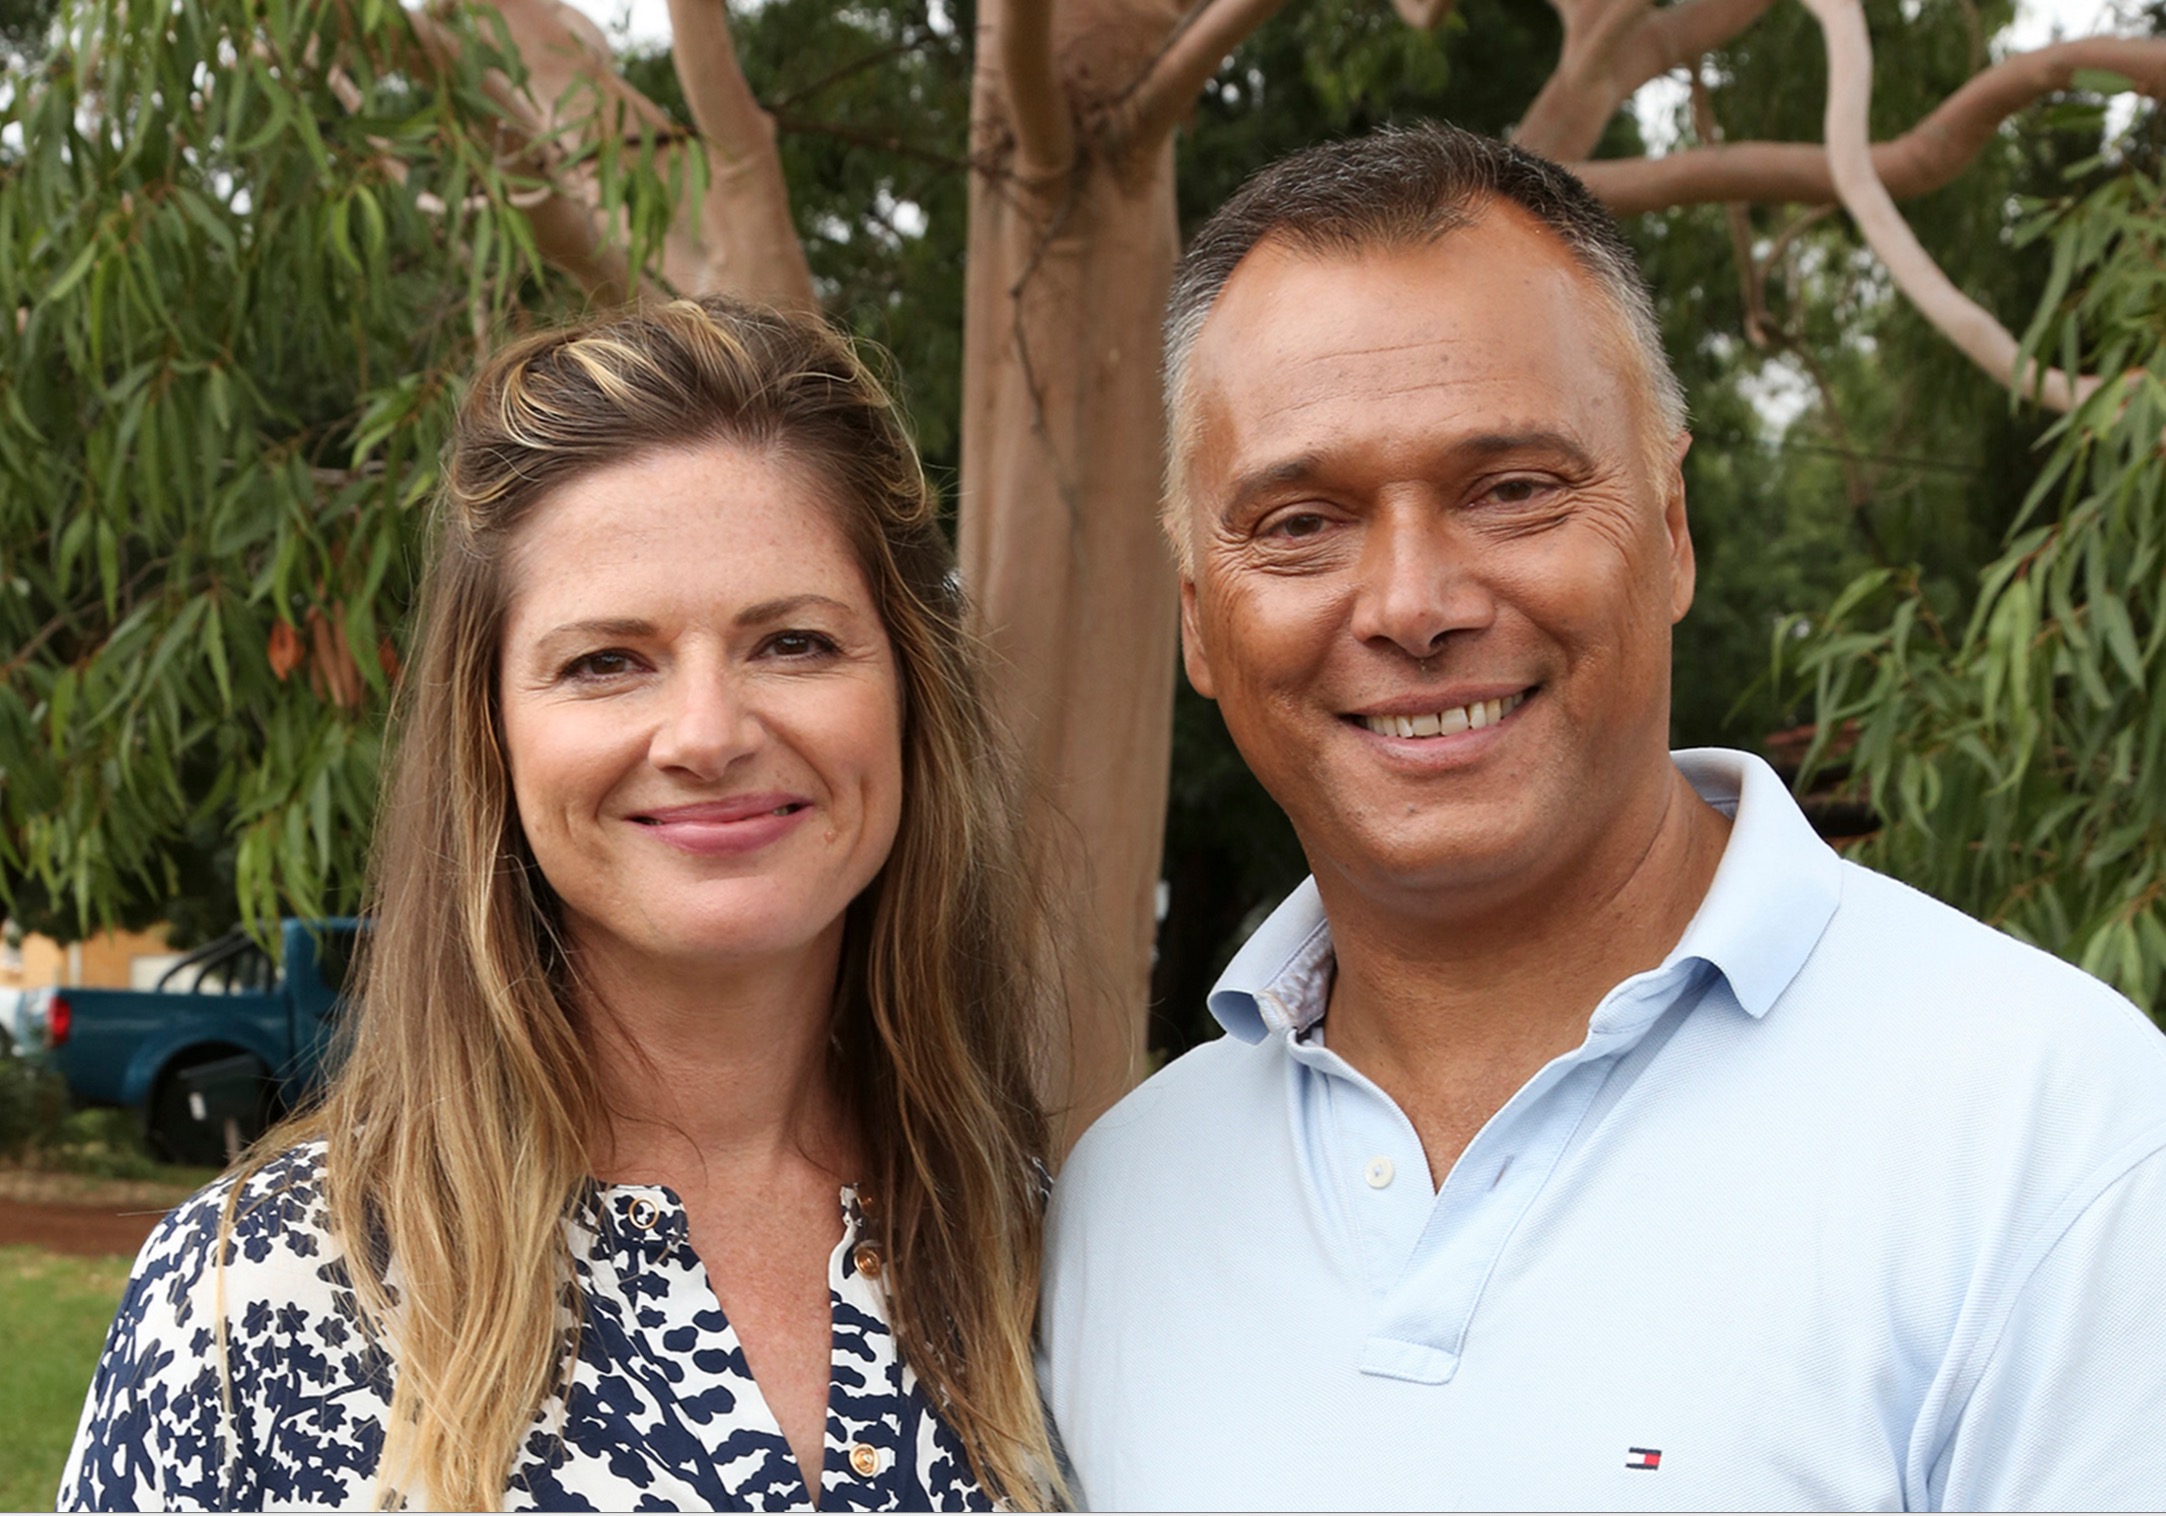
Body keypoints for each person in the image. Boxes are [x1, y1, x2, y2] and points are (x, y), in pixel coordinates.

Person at [1040, 123, 2166, 1511]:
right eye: (1298, 522)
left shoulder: (2054, 1142)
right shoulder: (1122, 1203)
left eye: (1511, 492)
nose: (1410, 603)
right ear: (1202, 625)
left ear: (1673, 529)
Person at [62, 297, 1060, 1511]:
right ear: (493, 733)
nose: (707, 733)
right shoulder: (254, 1301)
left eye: (793, 642)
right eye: (606, 661)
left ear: (908, 693)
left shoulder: (1054, 1255)